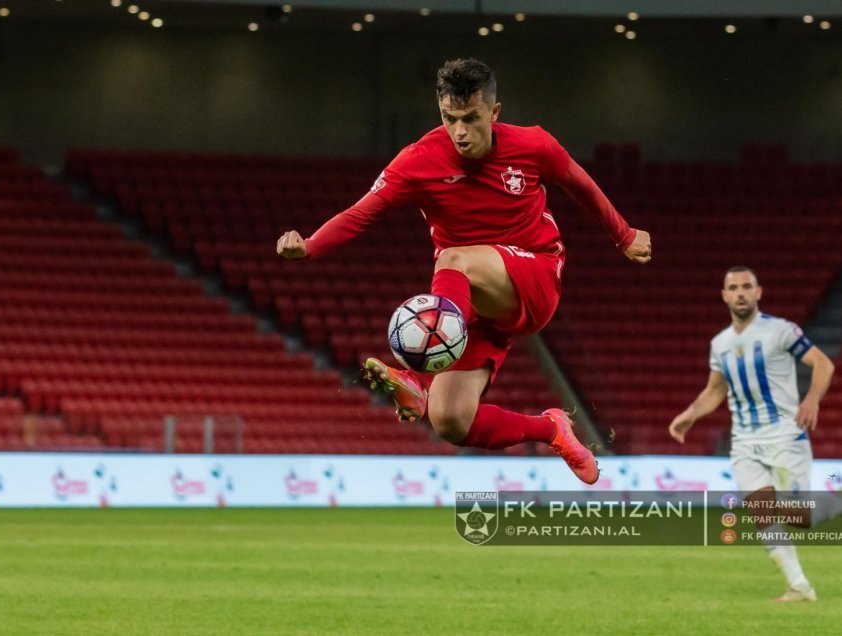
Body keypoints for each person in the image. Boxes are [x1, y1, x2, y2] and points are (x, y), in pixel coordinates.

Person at [277, 58, 652, 484]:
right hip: (473, 303)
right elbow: (361, 213)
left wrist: (623, 235)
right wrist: (308, 247)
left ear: (494, 113)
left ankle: (416, 375)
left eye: (471, 118)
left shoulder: (533, 145)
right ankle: (552, 429)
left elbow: (579, 183)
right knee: (451, 420)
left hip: (535, 275)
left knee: (453, 257)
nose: (459, 131)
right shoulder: (418, 160)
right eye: (449, 118)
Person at [669, 266, 838, 602]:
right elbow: (715, 390)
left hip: (785, 436)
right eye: (734, 287)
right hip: (745, 442)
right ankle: (799, 585)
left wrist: (812, 399)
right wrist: (688, 416)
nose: (741, 292)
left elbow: (823, 364)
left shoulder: (780, 331)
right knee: (762, 513)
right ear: (725, 295)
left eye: (747, 286)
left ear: (759, 292)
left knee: (798, 518)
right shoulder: (720, 344)